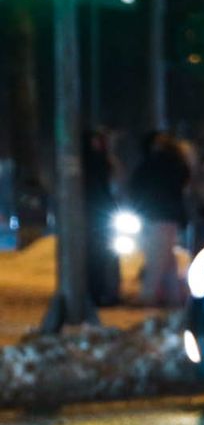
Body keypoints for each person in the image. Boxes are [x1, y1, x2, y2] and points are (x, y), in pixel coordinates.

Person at [124, 132, 192, 307]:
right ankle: (174, 296)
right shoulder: (175, 163)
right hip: (166, 215)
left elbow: (137, 186)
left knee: (157, 256)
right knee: (167, 258)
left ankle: (148, 295)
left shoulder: (157, 165)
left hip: (158, 215)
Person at [83, 127, 120, 306]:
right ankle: (98, 292)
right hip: (97, 213)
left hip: (98, 212)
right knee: (99, 256)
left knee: (101, 255)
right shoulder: (96, 161)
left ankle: (99, 291)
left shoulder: (96, 160)